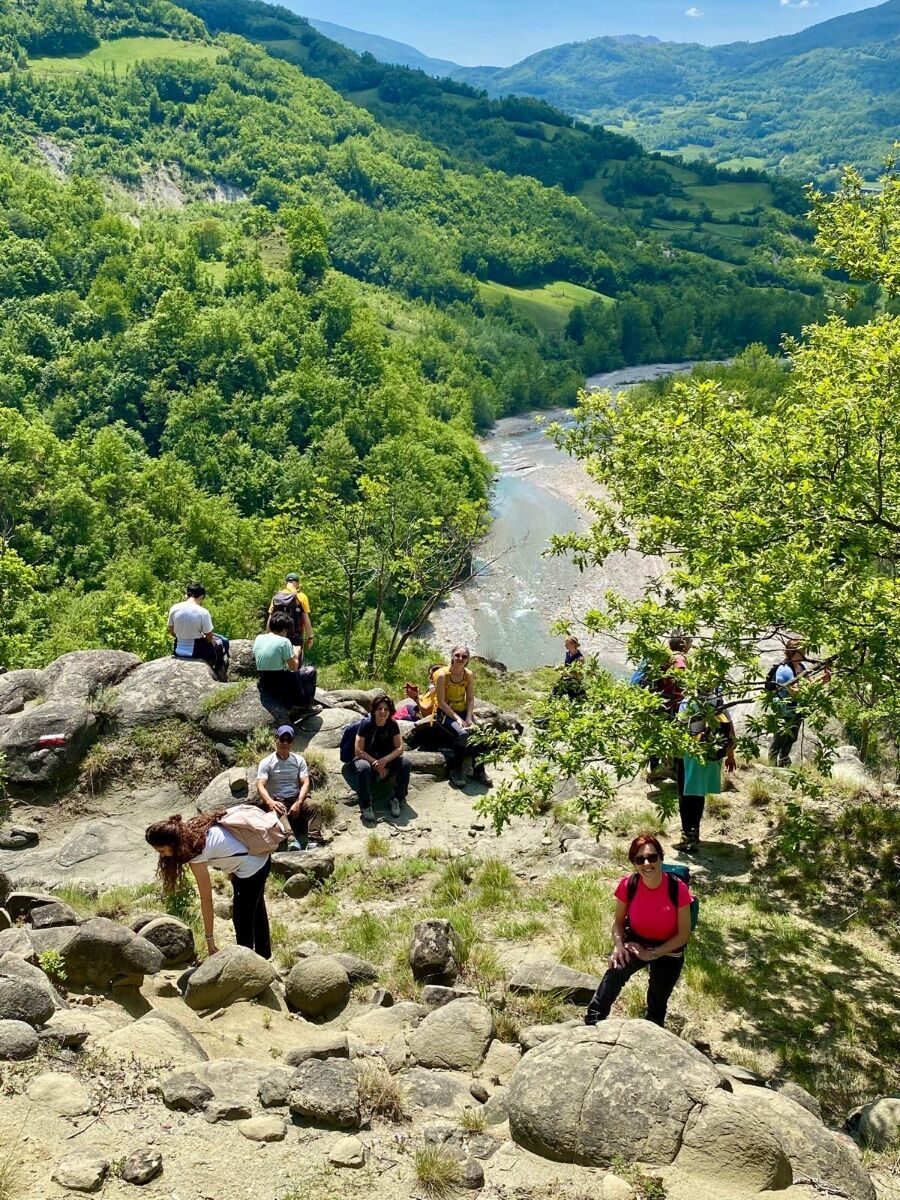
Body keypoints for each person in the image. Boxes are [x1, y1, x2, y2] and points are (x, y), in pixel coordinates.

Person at [585, 834, 692, 1028]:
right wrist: (618, 946)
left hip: (669, 949)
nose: (646, 863)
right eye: (639, 859)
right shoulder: (629, 884)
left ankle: (651, 1034)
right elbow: (618, 922)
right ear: (633, 862)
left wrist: (651, 954)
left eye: (652, 857)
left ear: (661, 858)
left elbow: (683, 936)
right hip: (636, 941)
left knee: (657, 1002)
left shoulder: (678, 889)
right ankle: (592, 1023)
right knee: (615, 971)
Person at [145, 810, 274, 959]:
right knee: (255, 907)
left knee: (242, 918)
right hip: (256, 858)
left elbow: (206, 899)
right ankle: (264, 955)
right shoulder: (189, 829)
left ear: (173, 843)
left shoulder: (195, 853)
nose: (162, 855)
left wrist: (209, 940)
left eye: (162, 851)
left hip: (253, 865)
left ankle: (246, 963)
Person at [676, 690, 736, 850]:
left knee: (685, 793)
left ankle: (687, 837)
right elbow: (729, 727)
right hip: (712, 752)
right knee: (699, 792)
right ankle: (695, 832)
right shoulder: (717, 698)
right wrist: (730, 754)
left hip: (691, 751)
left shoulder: (689, 700)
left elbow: (680, 727)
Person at [255, 725, 324, 850]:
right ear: (275, 740)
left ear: (293, 742)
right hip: (278, 799)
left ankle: (314, 840)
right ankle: (291, 840)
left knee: (314, 806)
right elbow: (260, 785)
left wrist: (299, 802)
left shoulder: (299, 760)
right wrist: (270, 802)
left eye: (289, 740)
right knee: (277, 810)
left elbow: (305, 783)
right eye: (282, 739)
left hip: (296, 798)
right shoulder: (266, 762)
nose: (285, 743)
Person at [432, 645, 491, 789]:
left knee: (478, 733)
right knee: (462, 734)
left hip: (463, 709)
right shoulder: (442, 675)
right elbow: (441, 702)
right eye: (457, 655)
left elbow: (470, 698)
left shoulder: (468, 675)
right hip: (444, 712)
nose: (460, 659)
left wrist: (469, 717)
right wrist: (457, 718)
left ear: (467, 659)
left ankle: (479, 770)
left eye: (464, 656)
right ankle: (456, 770)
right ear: (452, 656)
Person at [354, 692, 411, 823]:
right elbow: (358, 750)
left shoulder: (393, 725)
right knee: (362, 767)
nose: (383, 711)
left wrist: (384, 761)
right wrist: (375, 763)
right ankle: (366, 804)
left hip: (386, 759)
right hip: (367, 759)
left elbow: (399, 748)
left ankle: (397, 798)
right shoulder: (365, 724)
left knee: (406, 762)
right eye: (380, 708)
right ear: (374, 710)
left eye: (386, 709)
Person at [168, 583, 229, 681]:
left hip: (178, 649)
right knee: (221, 642)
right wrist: (201, 637)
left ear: (186, 594)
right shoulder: (203, 612)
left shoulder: (174, 608)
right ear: (201, 597)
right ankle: (220, 673)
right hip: (197, 651)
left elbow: (171, 631)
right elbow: (209, 638)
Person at [253, 612, 313, 709]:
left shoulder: (259, 638)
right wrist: (296, 653)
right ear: (285, 629)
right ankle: (305, 707)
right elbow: (294, 668)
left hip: (264, 681)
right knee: (310, 671)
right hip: (279, 682)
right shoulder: (284, 642)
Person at [768, 639, 808, 768]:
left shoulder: (802, 667)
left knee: (792, 737)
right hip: (783, 706)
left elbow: (811, 686)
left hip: (796, 707)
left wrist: (823, 680)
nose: (805, 652)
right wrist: (809, 688)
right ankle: (772, 766)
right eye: (802, 650)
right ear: (793, 652)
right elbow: (794, 693)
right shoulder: (784, 670)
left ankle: (783, 763)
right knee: (781, 737)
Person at [267, 573, 313, 656]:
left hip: (277, 635)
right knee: (295, 663)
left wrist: (268, 636)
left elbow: (270, 618)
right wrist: (310, 637)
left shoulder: (276, 596)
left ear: (286, 582)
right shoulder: (301, 596)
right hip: (295, 636)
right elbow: (306, 619)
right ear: (297, 584)